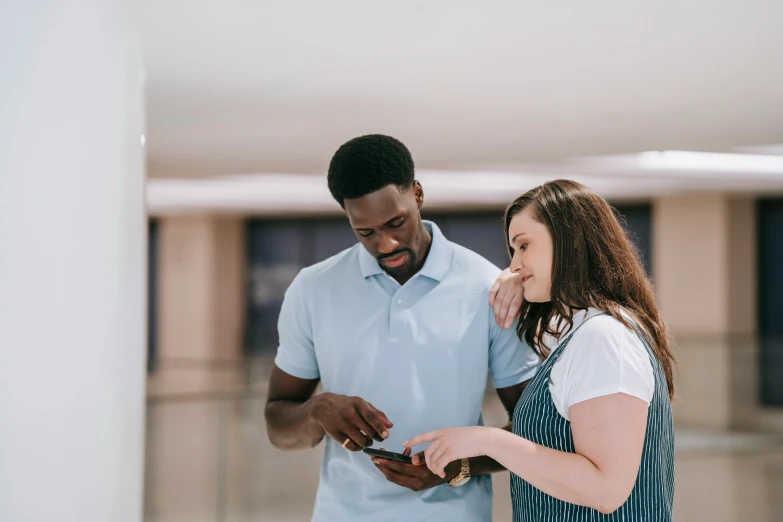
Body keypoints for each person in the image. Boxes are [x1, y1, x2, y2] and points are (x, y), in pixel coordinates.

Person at [264, 134, 540, 522]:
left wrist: (457, 465)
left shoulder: (486, 287)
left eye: (396, 222)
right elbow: (278, 422)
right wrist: (316, 411)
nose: (386, 244)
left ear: (418, 194)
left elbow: (532, 428)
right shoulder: (313, 289)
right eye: (366, 233)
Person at [405, 179, 677, 521]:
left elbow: (606, 490)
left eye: (523, 246)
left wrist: (488, 440)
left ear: (570, 242)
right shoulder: (583, 331)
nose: (515, 263)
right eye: (512, 251)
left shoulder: (604, 339)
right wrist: (520, 281)